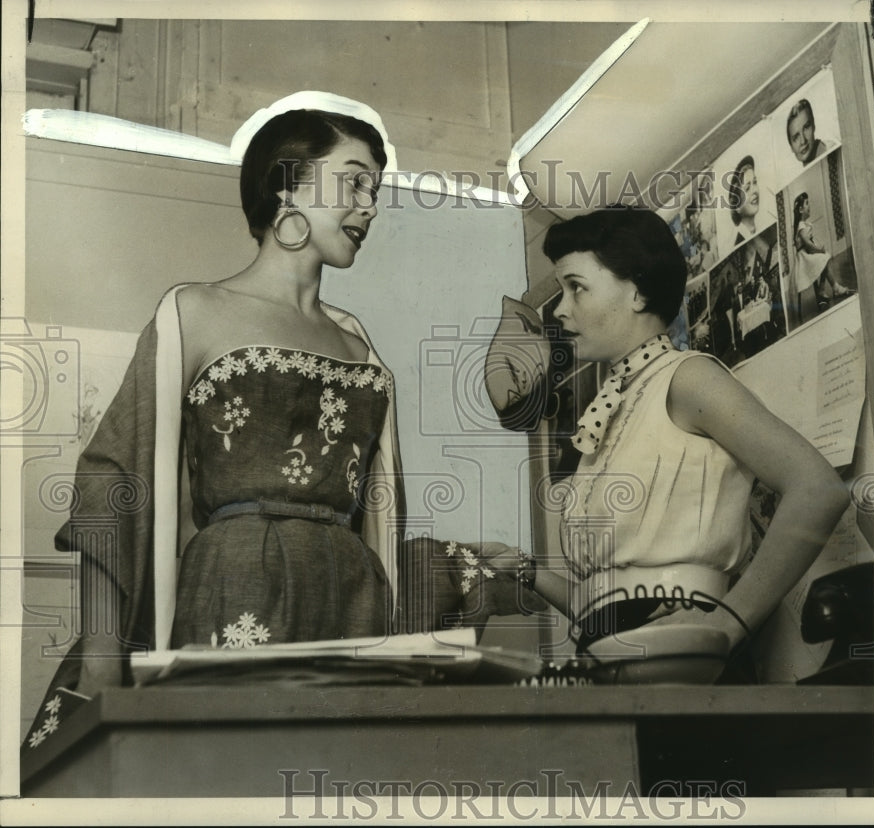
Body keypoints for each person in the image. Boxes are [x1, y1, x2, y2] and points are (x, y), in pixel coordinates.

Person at [24, 92, 530, 749]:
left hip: (352, 597)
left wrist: (453, 565)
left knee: (342, 780)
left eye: (375, 192)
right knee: (228, 770)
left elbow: (379, 517)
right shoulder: (194, 313)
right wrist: (100, 650)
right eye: (352, 184)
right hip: (235, 582)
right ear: (287, 186)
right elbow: (110, 478)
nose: (369, 208)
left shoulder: (360, 346)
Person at [519, 206, 849, 663]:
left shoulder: (687, 378)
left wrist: (731, 621)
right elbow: (609, 606)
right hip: (613, 651)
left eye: (576, 288)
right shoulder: (612, 406)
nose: (560, 308)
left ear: (635, 293)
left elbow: (818, 489)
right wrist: (521, 569)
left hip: (684, 655)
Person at [792, 191, 850, 319]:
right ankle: (832, 288)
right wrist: (819, 250)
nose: (809, 206)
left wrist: (819, 250)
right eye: (807, 204)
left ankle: (826, 288)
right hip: (804, 259)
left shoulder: (805, 225)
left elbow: (811, 243)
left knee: (824, 258)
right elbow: (808, 244)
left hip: (808, 254)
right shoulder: (801, 227)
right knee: (824, 257)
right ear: (801, 210)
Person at [728, 155, 760, 247]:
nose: (754, 191)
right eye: (747, 188)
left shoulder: (756, 230)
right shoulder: (739, 244)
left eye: (755, 182)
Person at [786, 99, 829, 166]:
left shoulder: (830, 150)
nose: (803, 141)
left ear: (813, 125)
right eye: (796, 137)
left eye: (806, 127)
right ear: (791, 147)